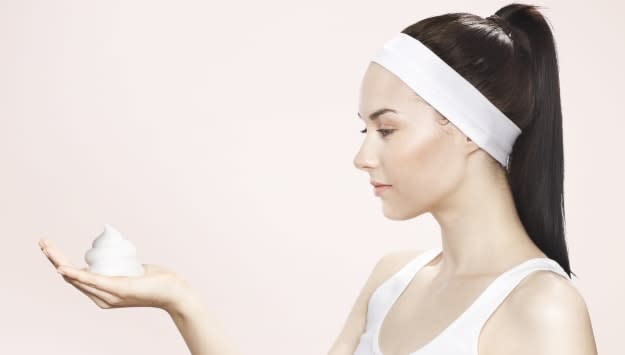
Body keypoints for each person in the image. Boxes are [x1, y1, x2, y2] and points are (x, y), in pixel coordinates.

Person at [39, 3, 597, 355]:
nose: (362, 157)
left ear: (470, 131)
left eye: (386, 129)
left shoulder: (542, 310)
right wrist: (181, 301)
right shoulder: (393, 279)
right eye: (364, 129)